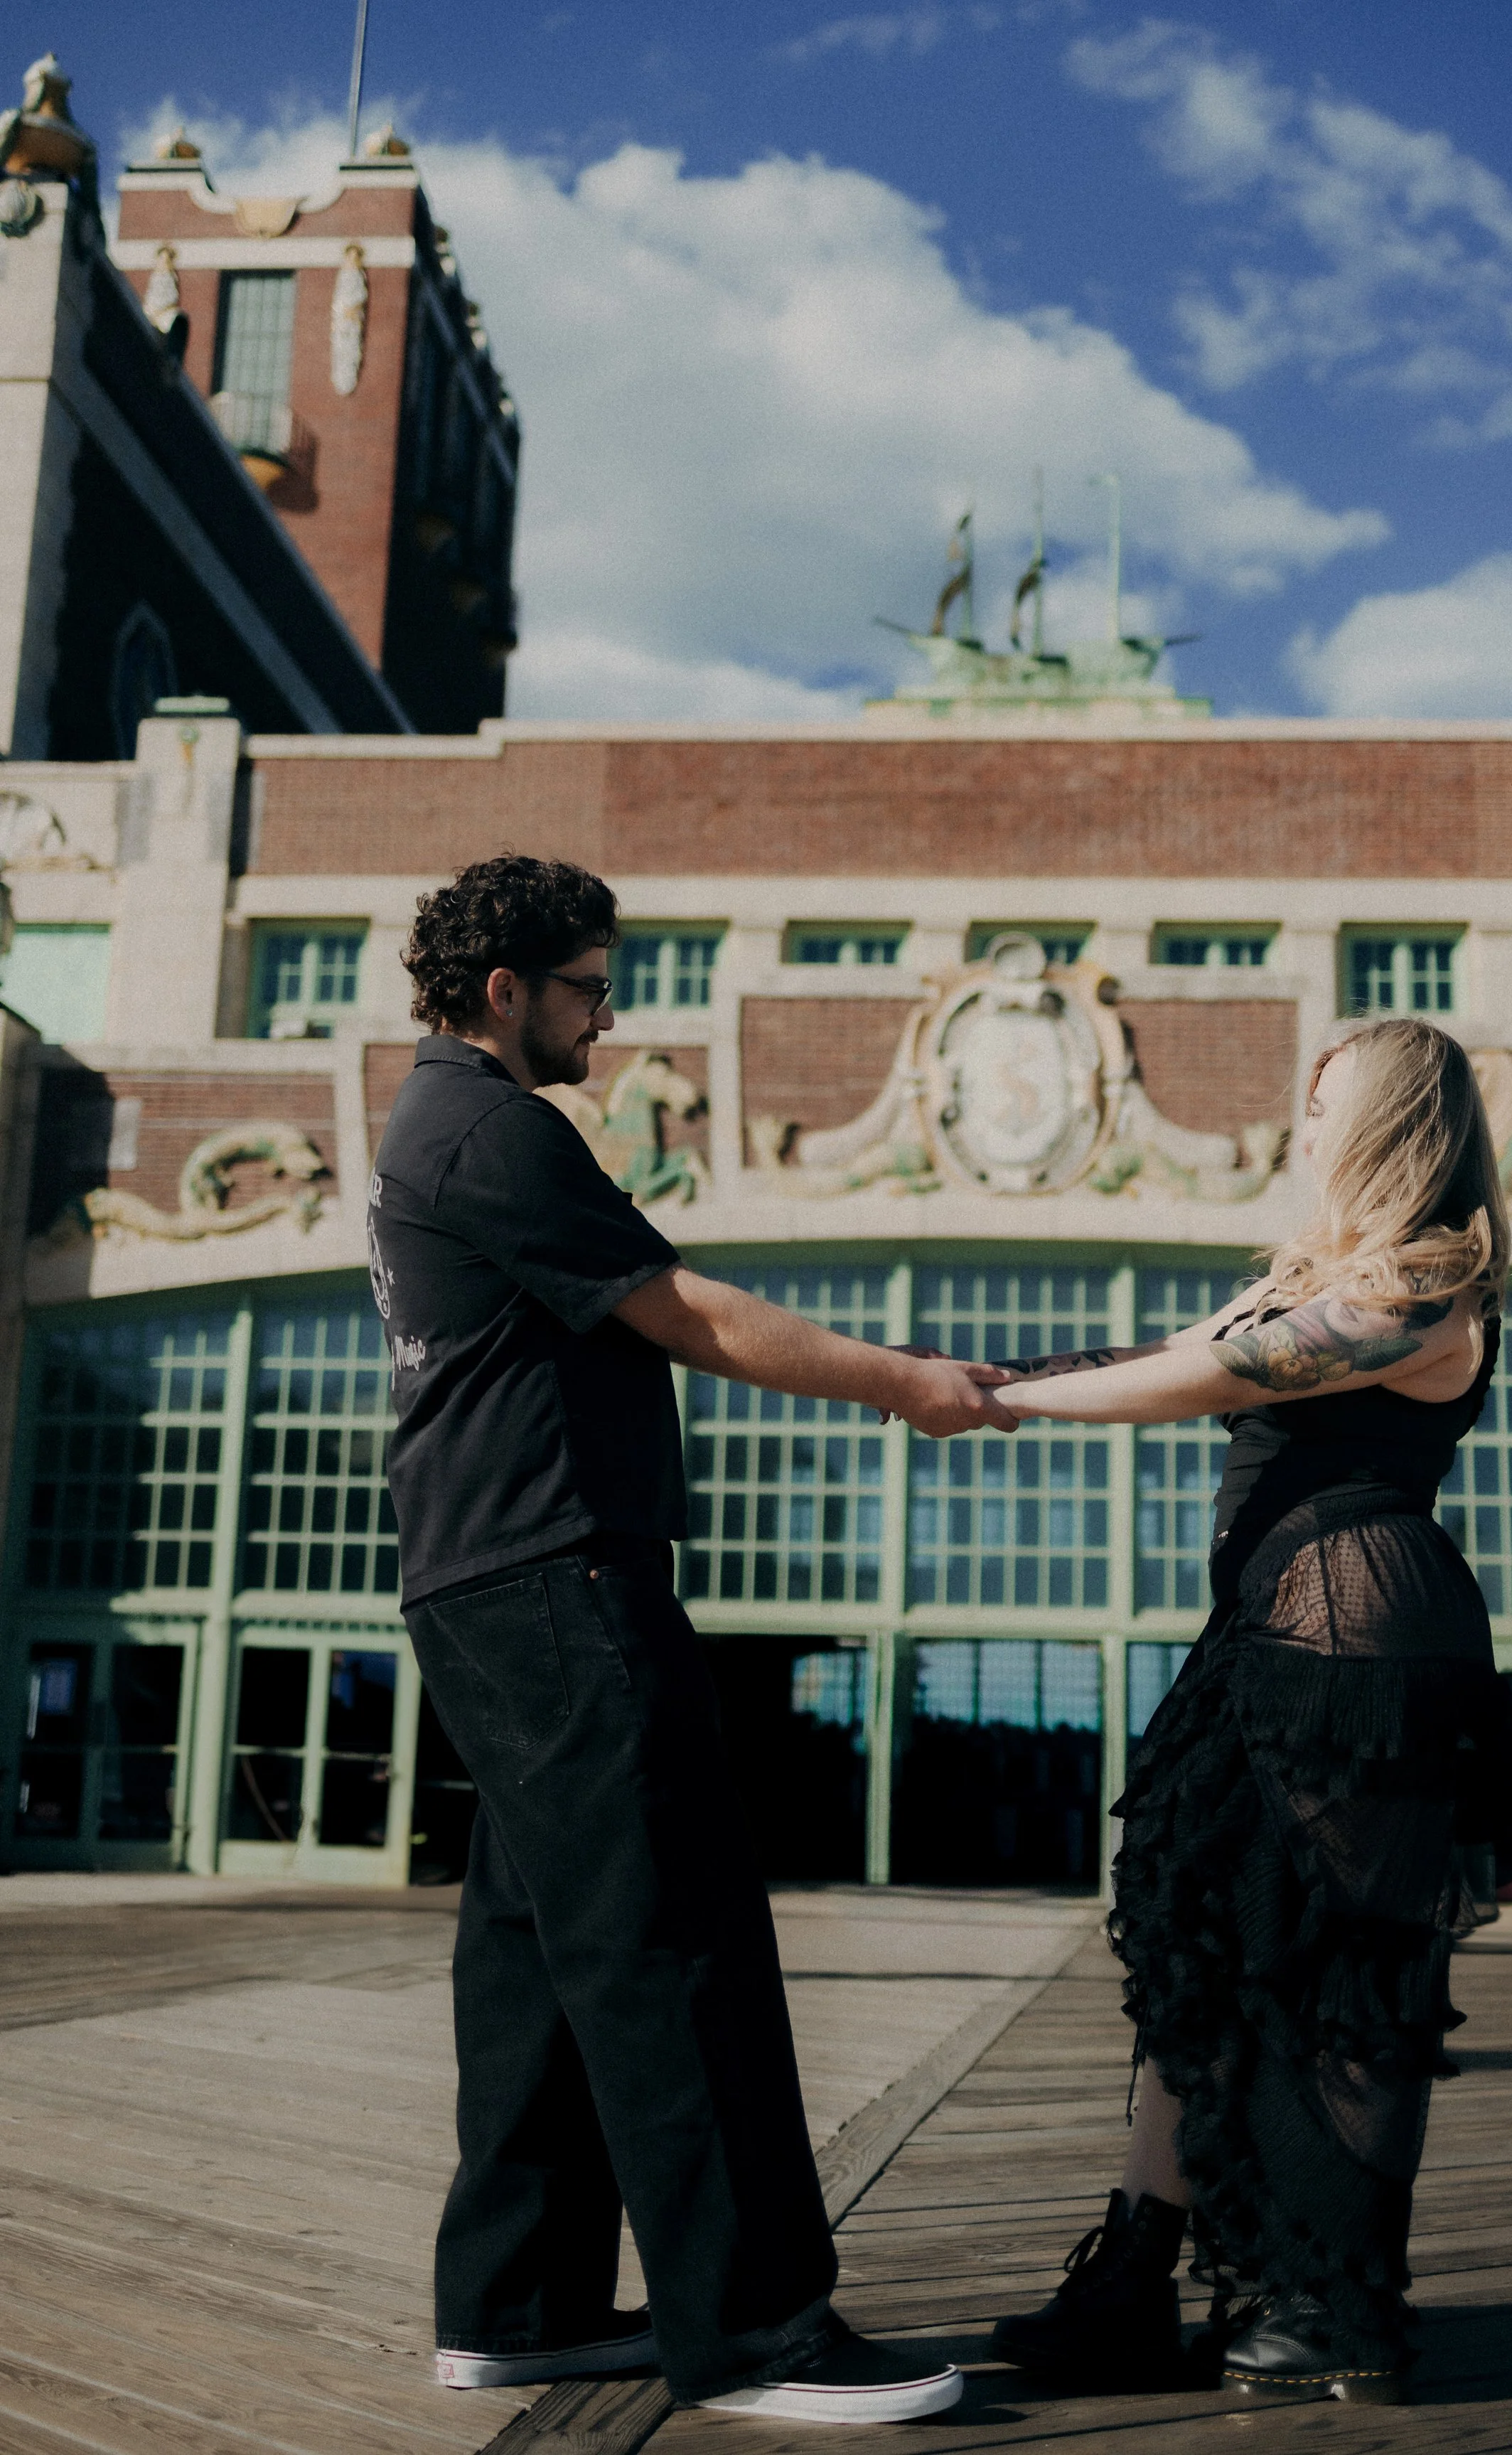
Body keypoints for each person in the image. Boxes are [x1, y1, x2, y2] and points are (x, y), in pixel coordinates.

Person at [372, 855, 1014, 2422]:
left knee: (536, 1955)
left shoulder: (430, 1125)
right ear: (504, 989)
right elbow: (690, 1313)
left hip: (479, 1580)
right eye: (588, 986)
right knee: (674, 1941)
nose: (608, 1014)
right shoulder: (495, 1126)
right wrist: (901, 1377)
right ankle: (758, 2331)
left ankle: (516, 2307)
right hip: (556, 1579)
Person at [984, 1018, 1512, 2405]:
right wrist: (982, 1376)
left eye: (1321, 1107)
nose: (1298, 1128)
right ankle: (1131, 2273)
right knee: (1198, 1955)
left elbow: (1218, 1379)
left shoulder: (1424, 1291)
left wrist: (992, 1409)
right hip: (1267, 1636)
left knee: (1335, 1979)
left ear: (1388, 1127)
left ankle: (1333, 2308)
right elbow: (1170, 1348)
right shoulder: (1328, 1282)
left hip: (1357, 1644)